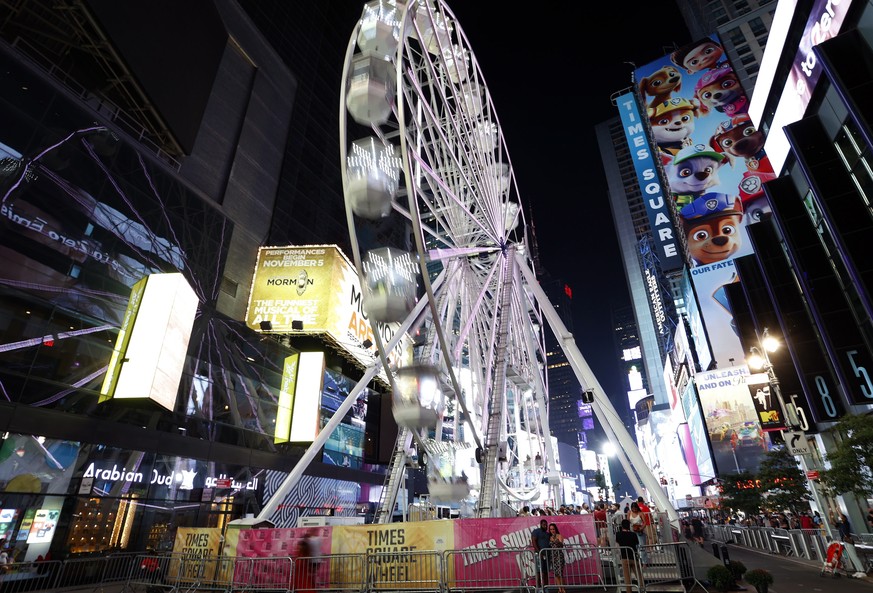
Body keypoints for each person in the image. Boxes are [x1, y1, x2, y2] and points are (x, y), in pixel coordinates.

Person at [615, 519, 641, 593]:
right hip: (633, 556)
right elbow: (637, 544)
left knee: (627, 577)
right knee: (639, 575)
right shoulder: (633, 534)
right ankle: (642, 588)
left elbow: (617, 546)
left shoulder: (618, 534)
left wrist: (619, 554)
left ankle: (629, 591)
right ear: (629, 526)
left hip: (624, 557)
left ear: (622, 526)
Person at [531, 518, 551, 588]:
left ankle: (546, 586)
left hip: (547, 555)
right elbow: (534, 542)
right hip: (539, 554)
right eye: (543, 525)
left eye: (546, 525)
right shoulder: (536, 532)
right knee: (539, 571)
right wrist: (539, 552)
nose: (545, 526)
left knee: (545, 571)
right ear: (540, 525)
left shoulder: (548, 534)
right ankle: (538, 586)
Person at [548, 523, 566, 593]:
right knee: (556, 574)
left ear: (555, 529)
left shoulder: (559, 536)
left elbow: (561, 545)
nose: (552, 530)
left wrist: (556, 539)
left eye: (553, 529)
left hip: (559, 556)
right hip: (553, 557)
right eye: (551, 529)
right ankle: (559, 589)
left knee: (560, 573)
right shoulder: (549, 537)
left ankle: (563, 588)